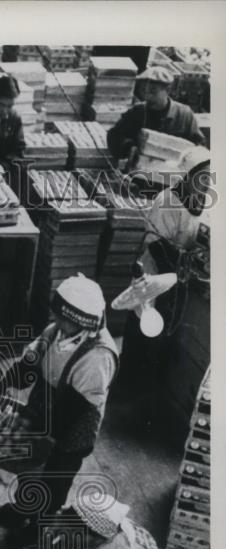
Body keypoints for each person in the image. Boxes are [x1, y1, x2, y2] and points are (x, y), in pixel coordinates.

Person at [0, 275, 118, 530]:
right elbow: (29, 363)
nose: (56, 321)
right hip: (43, 411)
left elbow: (75, 408)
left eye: (63, 318)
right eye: (57, 315)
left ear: (80, 321)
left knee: (53, 479)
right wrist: (2, 384)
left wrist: (45, 441)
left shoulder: (98, 356)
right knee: (29, 471)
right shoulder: (55, 331)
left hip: (71, 428)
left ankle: (40, 524)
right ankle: (21, 508)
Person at [116, 147, 212, 398]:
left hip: (178, 277)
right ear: (187, 177)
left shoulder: (204, 202)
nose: (206, 182)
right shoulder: (168, 201)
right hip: (155, 272)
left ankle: (150, 387)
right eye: (200, 177)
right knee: (143, 326)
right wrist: (182, 265)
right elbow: (157, 245)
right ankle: (127, 385)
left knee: (164, 335)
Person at [107, 66, 205, 167]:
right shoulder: (137, 112)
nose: (147, 96)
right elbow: (114, 135)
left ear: (168, 90)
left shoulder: (184, 115)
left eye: (153, 91)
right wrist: (129, 147)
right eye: (144, 90)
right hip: (140, 172)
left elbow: (199, 146)